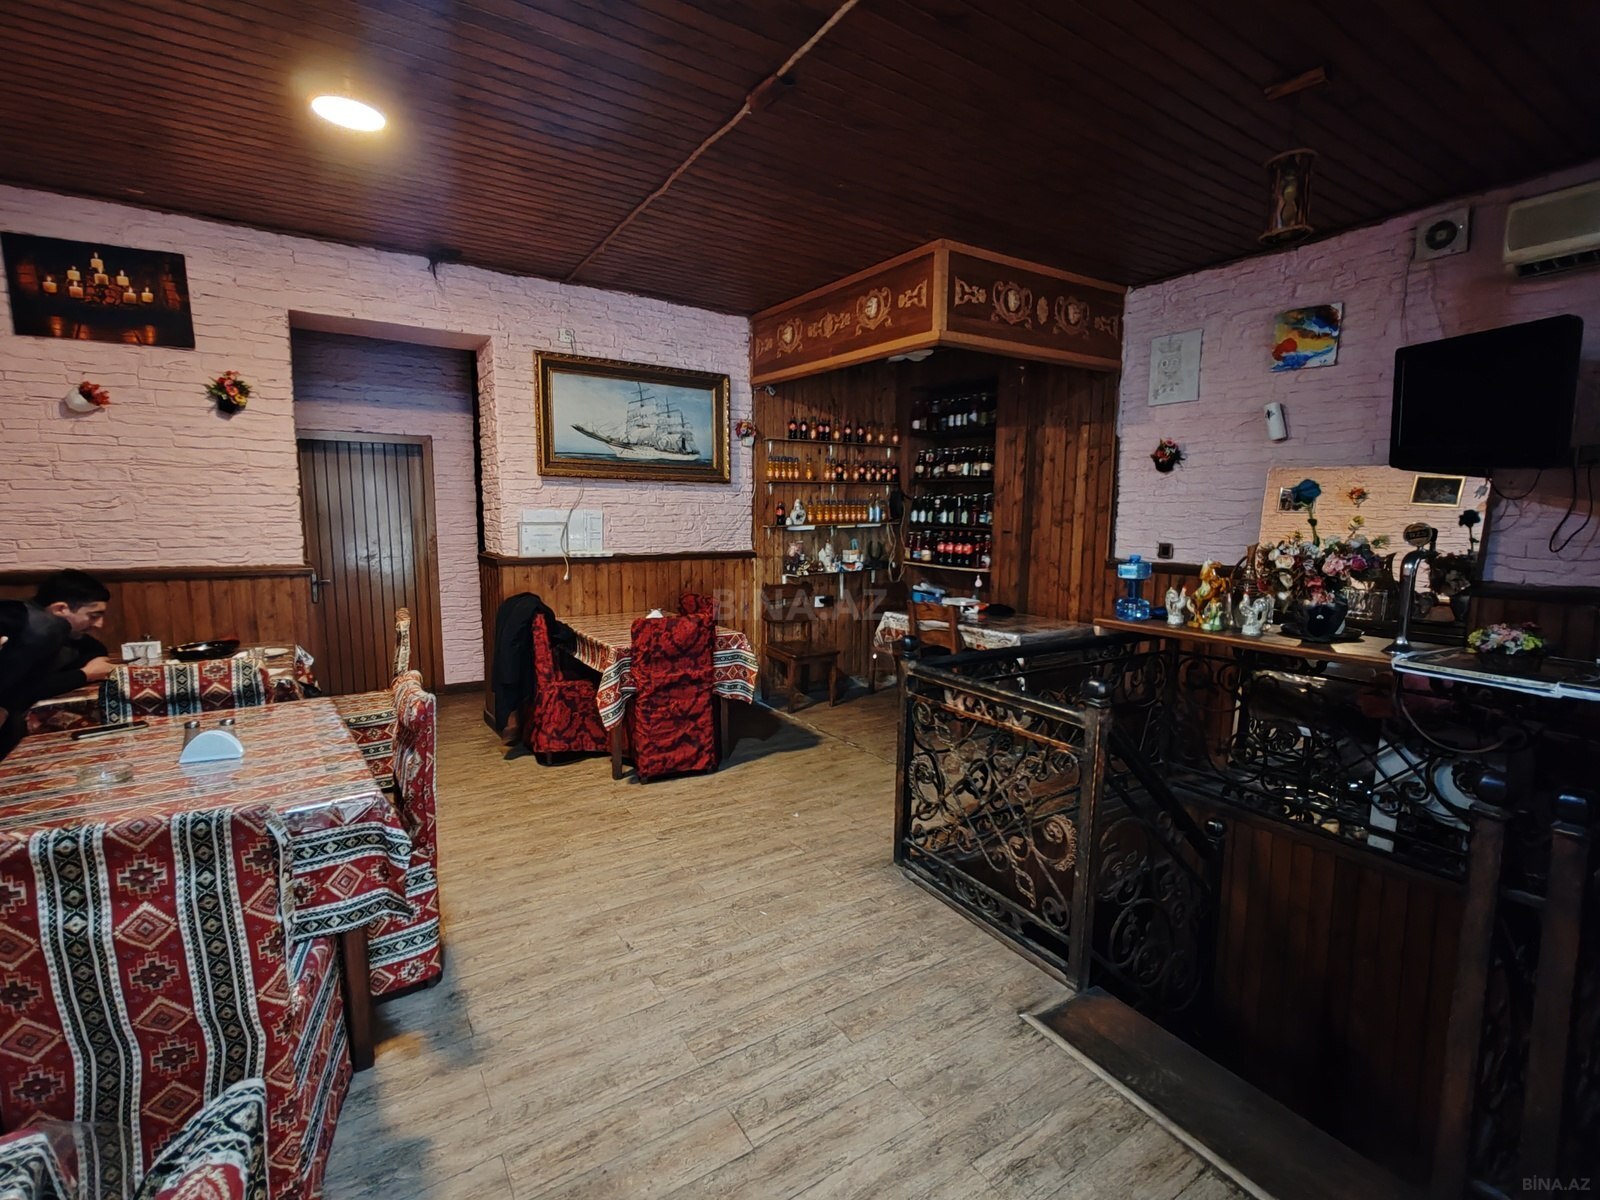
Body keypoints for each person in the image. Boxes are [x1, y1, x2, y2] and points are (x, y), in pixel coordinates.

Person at [0, 570, 115, 760]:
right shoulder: (43, 629)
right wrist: (85, 674)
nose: (99, 624)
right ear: (60, 609)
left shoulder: (33, 617)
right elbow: (25, 688)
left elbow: (95, 650)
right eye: (93, 616)